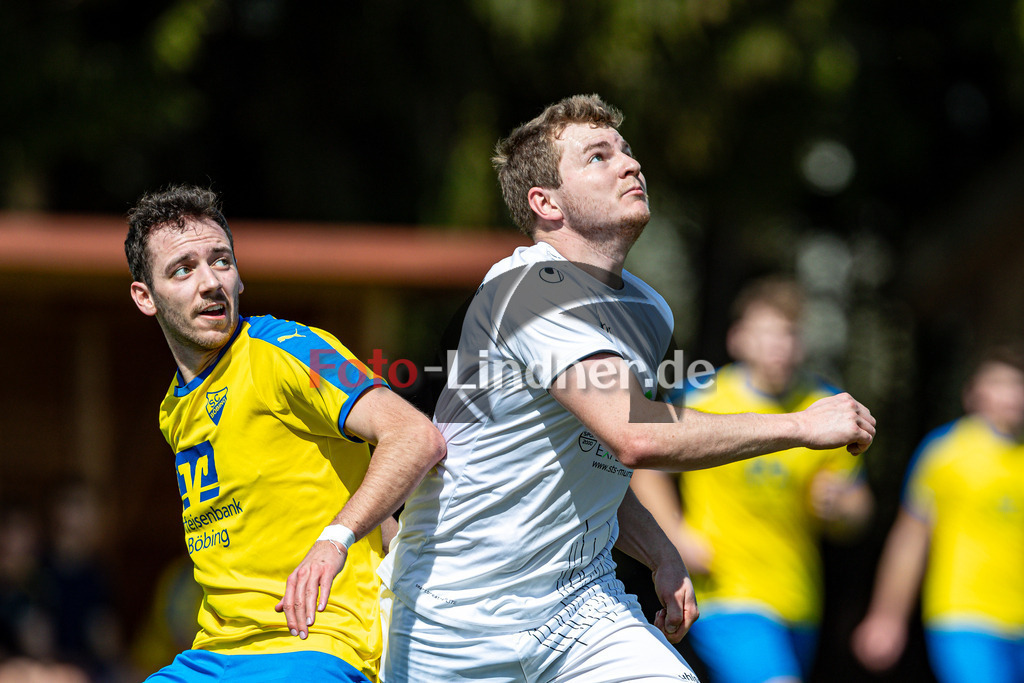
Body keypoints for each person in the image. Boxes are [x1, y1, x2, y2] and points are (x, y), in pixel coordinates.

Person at [377, 94, 876, 682]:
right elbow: (634, 433)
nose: (629, 164)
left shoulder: (647, 308)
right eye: (597, 157)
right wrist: (799, 425)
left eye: (627, 151)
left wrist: (659, 550)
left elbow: (594, 458)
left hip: (578, 608)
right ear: (546, 203)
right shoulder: (529, 290)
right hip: (456, 620)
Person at [124, 184, 446, 683]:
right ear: (146, 297)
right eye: (183, 269)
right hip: (211, 655)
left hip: (314, 647)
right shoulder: (174, 407)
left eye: (221, 261)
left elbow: (414, 436)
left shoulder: (287, 348)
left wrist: (335, 541)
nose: (210, 281)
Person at [630, 277, 874, 683]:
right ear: (737, 338)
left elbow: (859, 511)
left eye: (789, 334)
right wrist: (673, 533)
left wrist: (843, 506)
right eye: (766, 334)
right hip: (725, 590)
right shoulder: (701, 398)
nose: (779, 347)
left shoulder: (826, 407)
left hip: (798, 597)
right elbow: (643, 459)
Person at [852, 347, 1024, 683]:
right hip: (963, 618)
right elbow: (910, 539)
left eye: (1019, 385)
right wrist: (886, 617)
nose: (1013, 395)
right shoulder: (944, 452)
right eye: (1000, 383)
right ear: (973, 393)